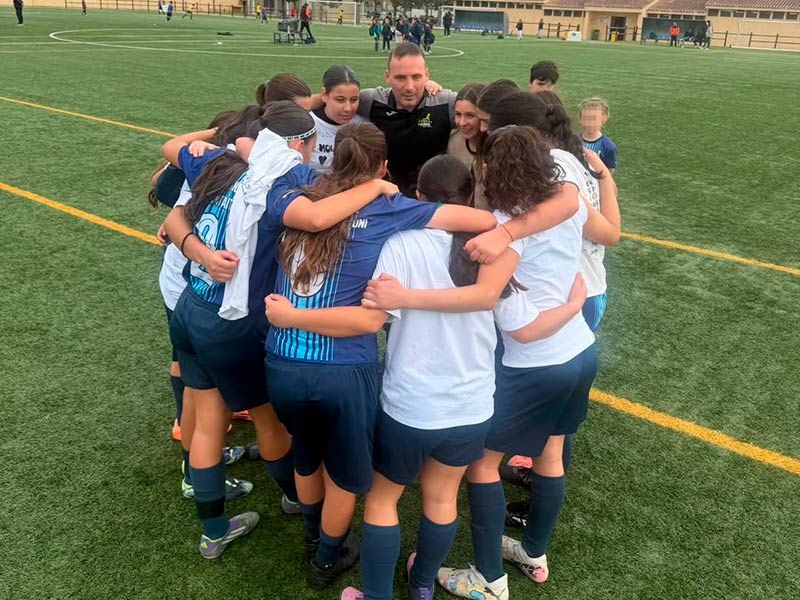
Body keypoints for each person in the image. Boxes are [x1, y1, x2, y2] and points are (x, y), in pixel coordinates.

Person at [262, 122, 498, 590]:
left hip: (281, 361)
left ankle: (314, 537)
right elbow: (479, 222)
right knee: (349, 476)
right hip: (343, 369)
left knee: (307, 457)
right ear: (385, 168)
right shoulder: (389, 209)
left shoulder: (298, 194)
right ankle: (328, 558)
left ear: (330, 159)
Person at [161, 103, 399, 560]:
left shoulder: (220, 161)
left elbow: (171, 152)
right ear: (298, 146)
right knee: (268, 418)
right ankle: (295, 495)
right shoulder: (285, 182)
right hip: (232, 323)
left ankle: (214, 531)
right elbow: (314, 219)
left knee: (210, 422)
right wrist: (374, 184)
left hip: (190, 306)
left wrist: (208, 139)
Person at [354, 43, 458, 196]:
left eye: (416, 77)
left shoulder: (444, 102)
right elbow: (332, 100)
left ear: (427, 75)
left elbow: (484, 109)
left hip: (432, 200)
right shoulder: (373, 101)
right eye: (400, 78)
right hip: (387, 197)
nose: (409, 87)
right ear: (387, 77)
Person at [310, 65, 365, 171]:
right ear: (324, 95)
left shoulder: (363, 125)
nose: (348, 108)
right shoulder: (307, 124)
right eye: (340, 100)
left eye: (354, 100)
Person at [447, 83, 486, 169]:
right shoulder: (455, 143)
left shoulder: (499, 146)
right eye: (458, 114)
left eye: (470, 115)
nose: (462, 123)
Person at [579, 97, 617, 174]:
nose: (590, 122)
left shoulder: (608, 147)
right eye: (586, 118)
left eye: (594, 119)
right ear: (580, 119)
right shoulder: (573, 141)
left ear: (603, 120)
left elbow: (609, 172)